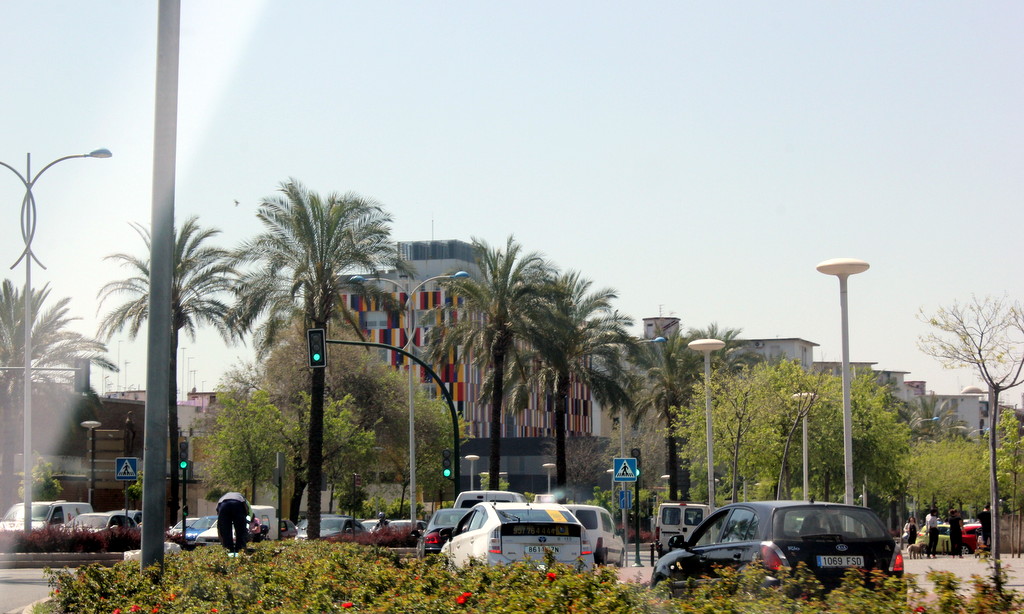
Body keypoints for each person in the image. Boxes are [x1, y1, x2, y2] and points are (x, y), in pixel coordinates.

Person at [217, 491, 251, 555]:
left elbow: (218, 511)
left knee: (226, 531)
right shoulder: (240, 496)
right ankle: (240, 549)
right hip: (237, 505)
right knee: (240, 530)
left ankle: (228, 549)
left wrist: (222, 524)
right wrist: (244, 518)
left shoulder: (222, 498)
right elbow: (246, 507)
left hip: (224, 506)